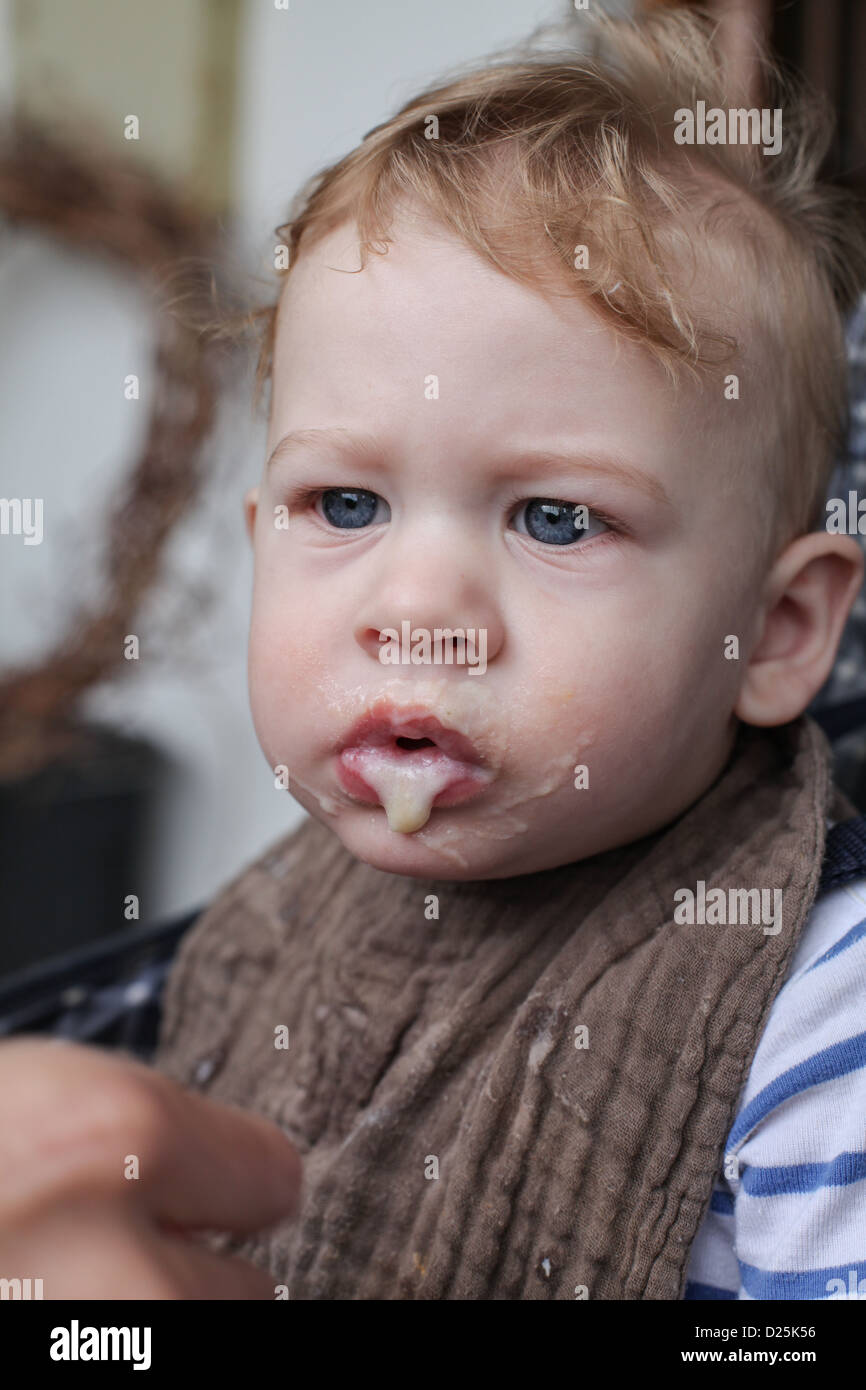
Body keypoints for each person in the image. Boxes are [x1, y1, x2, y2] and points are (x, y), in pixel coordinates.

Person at [2, 6, 866, 1300]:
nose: (414, 609)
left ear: (778, 631)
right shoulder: (268, 925)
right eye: (343, 507)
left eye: (556, 518)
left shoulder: (820, 1024)